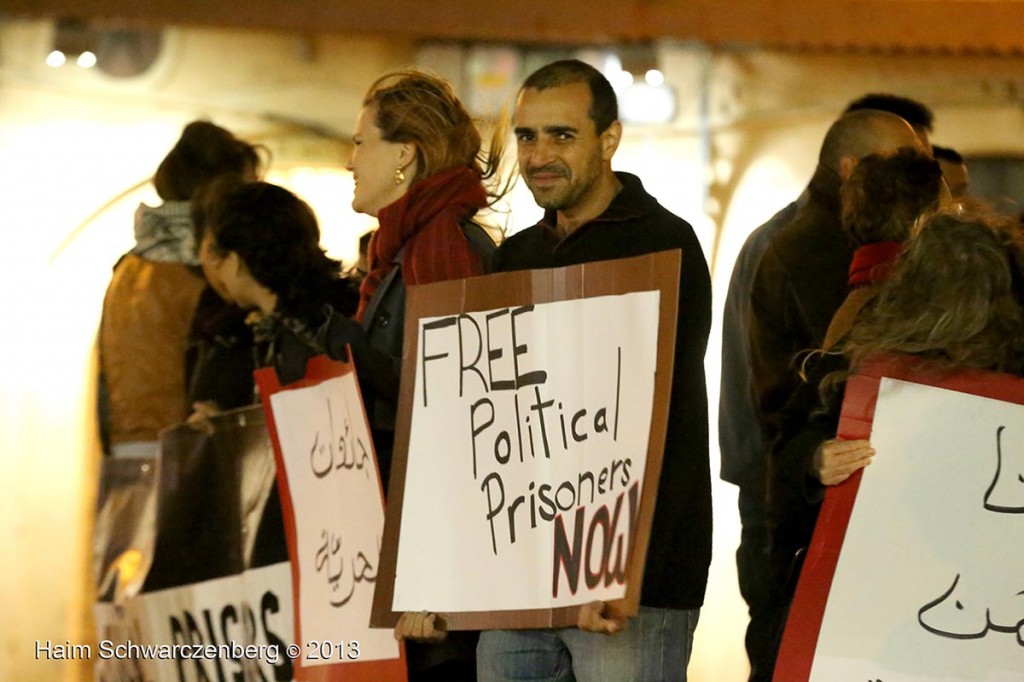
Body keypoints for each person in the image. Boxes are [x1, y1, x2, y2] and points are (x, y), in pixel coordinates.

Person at [473, 58, 712, 682]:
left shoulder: (666, 245)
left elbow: (650, 422)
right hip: (522, 577)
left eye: (562, 135)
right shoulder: (514, 258)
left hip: (633, 586)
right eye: (526, 136)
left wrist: (613, 568)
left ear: (608, 141)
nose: (538, 154)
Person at [719, 106, 928, 680]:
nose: (919, 175)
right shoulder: (787, 252)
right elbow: (768, 406)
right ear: (851, 169)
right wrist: (810, 459)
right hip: (790, 517)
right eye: (905, 162)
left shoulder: (914, 253)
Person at [769, 204, 1024, 600]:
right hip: (875, 594)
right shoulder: (866, 352)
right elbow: (788, 449)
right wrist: (815, 461)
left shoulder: (1014, 366)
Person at [348, 70, 508, 682]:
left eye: (362, 141)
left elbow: (462, 420)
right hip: (400, 542)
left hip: (431, 574)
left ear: (404, 154)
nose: (349, 160)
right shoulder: (405, 248)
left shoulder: (445, 251)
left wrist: (431, 579)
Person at [98, 120, 260, 457]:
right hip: (184, 445)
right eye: (248, 187)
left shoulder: (131, 264)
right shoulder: (207, 267)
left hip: (126, 442)